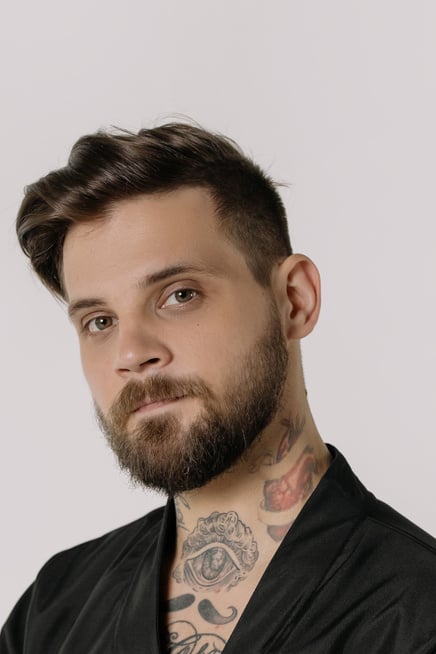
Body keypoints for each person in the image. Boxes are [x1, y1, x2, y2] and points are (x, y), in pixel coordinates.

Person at [1, 123, 435, 654]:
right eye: (98, 321)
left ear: (293, 301)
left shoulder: (416, 614)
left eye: (179, 295)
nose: (132, 354)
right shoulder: (54, 612)